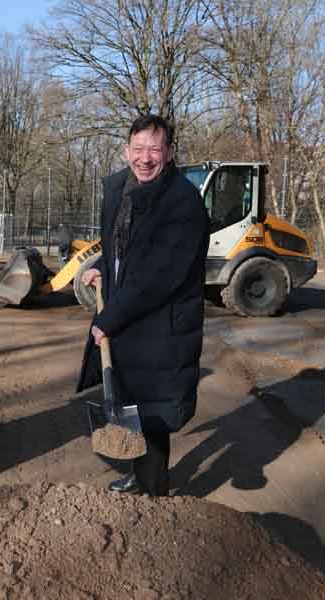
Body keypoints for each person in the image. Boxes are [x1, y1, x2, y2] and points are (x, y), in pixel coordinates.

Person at [77, 114, 209, 497]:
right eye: (138, 149)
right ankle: (140, 478)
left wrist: (108, 318)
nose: (145, 158)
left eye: (154, 149)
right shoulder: (122, 191)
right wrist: (103, 268)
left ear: (168, 153)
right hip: (132, 321)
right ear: (126, 150)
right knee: (134, 404)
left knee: (153, 413)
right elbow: (123, 248)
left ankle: (153, 499)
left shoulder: (182, 204)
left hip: (161, 326)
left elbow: (157, 277)